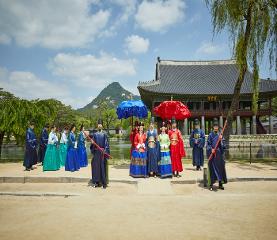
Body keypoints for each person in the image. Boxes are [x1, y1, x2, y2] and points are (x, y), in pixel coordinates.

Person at [206, 118, 227, 191]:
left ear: (218, 127)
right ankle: (211, 184)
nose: (215, 127)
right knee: (212, 170)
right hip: (213, 155)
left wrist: (221, 140)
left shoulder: (220, 135)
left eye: (216, 126)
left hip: (219, 156)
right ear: (213, 127)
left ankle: (220, 184)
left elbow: (224, 146)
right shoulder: (210, 135)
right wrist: (211, 149)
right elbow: (208, 144)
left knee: (220, 169)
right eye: (214, 126)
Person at [90, 119, 110, 189]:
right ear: (97, 125)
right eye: (98, 124)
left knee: (103, 167)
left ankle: (104, 183)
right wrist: (92, 143)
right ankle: (96, 182)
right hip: (96, 153)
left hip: (102, 153)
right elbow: (92, 146)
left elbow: (107, 144)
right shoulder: (95, 134)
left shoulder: (104, 134)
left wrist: (105, 150)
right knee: (96, 168)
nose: (99, 125)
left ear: (102, 125)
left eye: (100, 124)